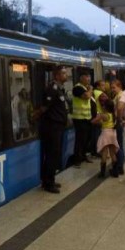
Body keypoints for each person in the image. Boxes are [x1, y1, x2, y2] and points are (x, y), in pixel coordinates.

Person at [36, 66, 69, 194]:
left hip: (58, 127)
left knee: (55, 155)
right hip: (52, 127)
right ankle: (48, 183)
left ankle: (50, 179)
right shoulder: (52, 89)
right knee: (51, 155)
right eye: (63, 74)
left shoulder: (59, 89)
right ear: (57, 76)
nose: (66, 76)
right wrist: (35, 115)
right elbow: (45, 107)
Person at [71, 73, 93, 168]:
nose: (88, 80)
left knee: (86, 139)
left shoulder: (85, 88)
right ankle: (77, 160)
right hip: (79, 118)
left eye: (89, 78)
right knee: (80, 140)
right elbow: (87, 96)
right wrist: (91, 89)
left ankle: (84, 156)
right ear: (81, 79)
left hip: (87, 118)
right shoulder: (77, 88)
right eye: (86, 78)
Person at [93, 97, 118, 178]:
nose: (102, 106)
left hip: (105, 134)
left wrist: (98, 117)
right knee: (112, 154)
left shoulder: (104, 115)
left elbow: (94, 121)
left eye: (103, 105)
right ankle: (115, 172)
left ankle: (102, 173)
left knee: (104, 153)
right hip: (113, 134)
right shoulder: (114, 114)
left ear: (106, 107)